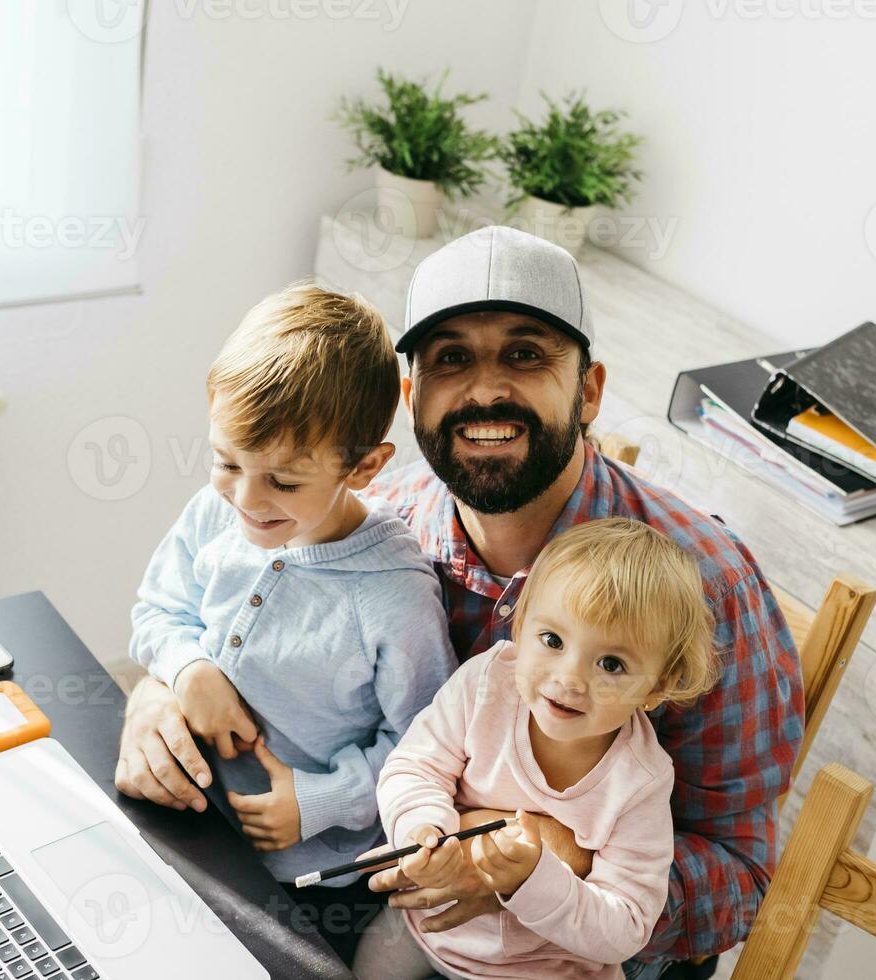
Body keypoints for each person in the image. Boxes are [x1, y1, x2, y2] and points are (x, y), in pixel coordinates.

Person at [117, 226, 804, 977]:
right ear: (412, 399)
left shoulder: (706, 583)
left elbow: (740, 874)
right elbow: (219, 605)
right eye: (451, 359)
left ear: (590, 392)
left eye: (526, 354)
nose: (484, 390)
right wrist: (161, 690)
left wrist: (551, 866)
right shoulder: (376, 524)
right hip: (378, 915)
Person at [121, 283, 456, 962]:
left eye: (283, 482)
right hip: (192, 812)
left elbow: (427, 749)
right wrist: (189, 669)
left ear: (363, 467)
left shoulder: (395, 600)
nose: (245, 498)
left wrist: (319, 801)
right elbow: (157, 607)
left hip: (308, 872)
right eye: (227, 462)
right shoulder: (216, 513)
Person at [351, 518, 720, 980]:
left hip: (547, 969)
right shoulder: (486, 685)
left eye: (611, 663)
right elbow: (415, 766)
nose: (569, 678)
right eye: (552, 640)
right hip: (426, 930)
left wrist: (533, 880)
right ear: (519, 626)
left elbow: (627, 926)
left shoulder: (639, 781)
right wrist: (421, 827)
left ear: (657, 686)